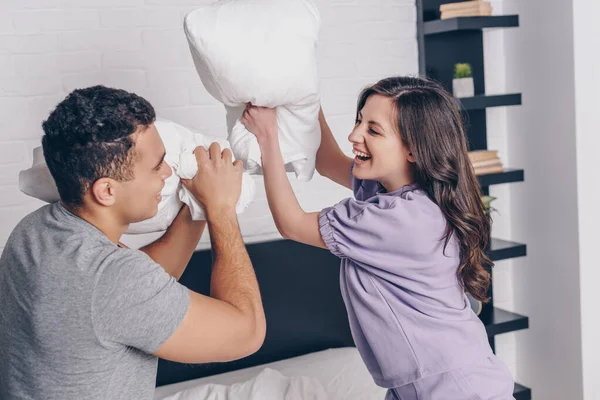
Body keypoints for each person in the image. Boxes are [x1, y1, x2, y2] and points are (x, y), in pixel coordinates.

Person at [241, 76, 515, 399]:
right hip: (422, 384)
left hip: (453, 388)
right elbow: (327, 160)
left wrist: (267, 136)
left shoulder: (400, 221)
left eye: (373, 130)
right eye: (359, 121)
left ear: (413, 149)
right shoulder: (397, 192)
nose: (354, 135)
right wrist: (304, 91)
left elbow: (291, 223)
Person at [0, 86, 266, 400]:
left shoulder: (33, 232)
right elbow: (247, 333)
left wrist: (198, 205)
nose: (167, 173)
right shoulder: (114, 280)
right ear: (107, 191)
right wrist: (222, 209)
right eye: (157, 166)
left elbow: (139, 287)